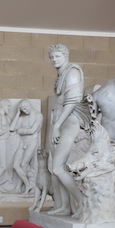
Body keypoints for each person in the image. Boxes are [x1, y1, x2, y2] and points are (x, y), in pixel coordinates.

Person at [48, 44, 85, 217]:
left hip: (68, 123)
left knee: (57, 168)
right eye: (52, 57)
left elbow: (72, 102)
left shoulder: (72, 72)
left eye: (58, 56)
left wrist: (56, 126)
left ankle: (83, 203)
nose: (54, 60)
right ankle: (65, 206)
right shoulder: (61, 73)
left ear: (66, 56)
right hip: (61, 123)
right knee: (55, 168)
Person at [9, 99, 42, 194]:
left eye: (25, 108)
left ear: (29, 105)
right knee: (15, 165)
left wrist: (20, 131)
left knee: (24, 164)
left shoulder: (38, 115)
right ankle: (27, 184)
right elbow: (12, 128)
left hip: (32, 142)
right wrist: (17, 113)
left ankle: (20, 187)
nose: (24, 110)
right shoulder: (21, 117)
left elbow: (32, 130)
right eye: (22, 109)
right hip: (22, 143)